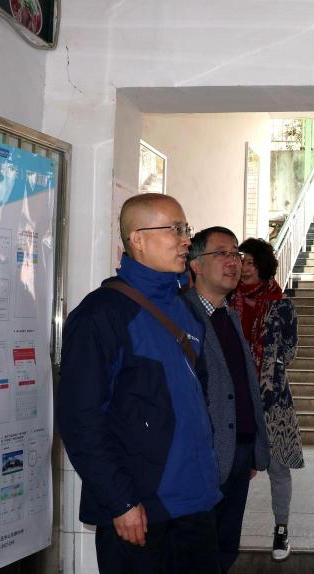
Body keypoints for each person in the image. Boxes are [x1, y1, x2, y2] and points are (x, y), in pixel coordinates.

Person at [57, 194, 221, 573]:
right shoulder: (102, 314)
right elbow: (80, 420)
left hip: (196, 504)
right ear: (138, 239)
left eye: (186, 229)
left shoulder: (186, 309)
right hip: (141, 511)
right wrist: (121, 502)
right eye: (175, 229)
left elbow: (199, 397)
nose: (186, 240)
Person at [181, 227, 270, 573]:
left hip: (238, 451)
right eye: (221, 253)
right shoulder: (182, 316)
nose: (233, 262)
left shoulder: (228, 314)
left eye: (236, 254)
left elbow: (242, 385)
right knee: (198, 552)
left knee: (225, 547)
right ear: (195, 264)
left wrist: (252, 445)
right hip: (204, 455)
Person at [231, 237, 304, 562]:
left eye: (250, 262)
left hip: (272, 400)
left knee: (278, 467)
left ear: (262, 266)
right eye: (241, 261)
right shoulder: (227, 300)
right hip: (234, 398)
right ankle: (226, 529)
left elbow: (290, 350)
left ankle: (281, 528)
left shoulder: (282, 304)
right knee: (233, 466)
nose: (244, 267)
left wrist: (265, 365)